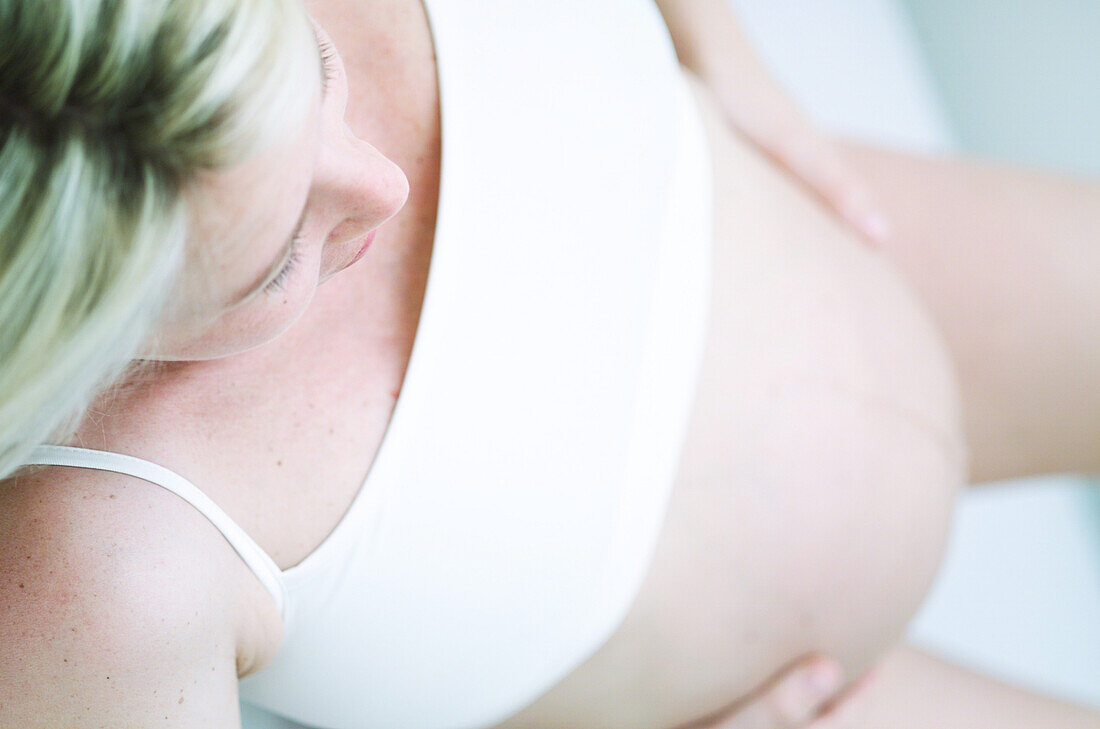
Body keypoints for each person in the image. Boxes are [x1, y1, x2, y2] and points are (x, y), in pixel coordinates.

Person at [2, 1, 1098, 728]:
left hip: (864, 233)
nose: (379, 185)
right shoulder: (94, 583)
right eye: (281, 258)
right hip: (806, 699)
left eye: (319, 73)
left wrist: (719, 47)